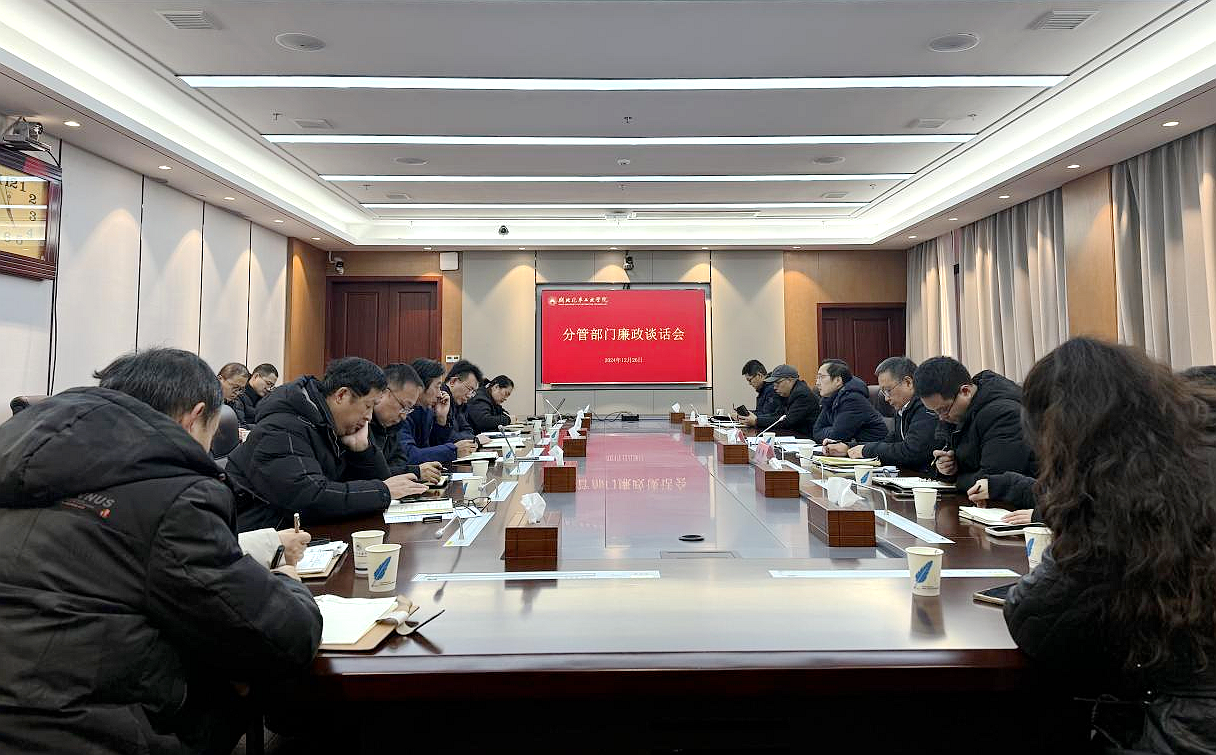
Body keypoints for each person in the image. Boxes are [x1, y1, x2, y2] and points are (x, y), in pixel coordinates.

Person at [0, 348, 321, 755]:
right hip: (86, 732)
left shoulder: (19, 459)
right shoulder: (175, 493)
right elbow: (282, 633)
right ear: (195, 416)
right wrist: (288, 583)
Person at [1003, 338, 1216, 751]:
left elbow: (1037, 622)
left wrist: (1069, 511)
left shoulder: (1125, 491)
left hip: (1189, 727)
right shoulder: (1194, 445)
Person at [225, 357, 428, 531]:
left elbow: (373, 483)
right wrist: (382, 491)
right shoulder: (283, 426)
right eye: (367, 406)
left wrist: (362, 451)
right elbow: (309, 498)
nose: (369, 416)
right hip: (263, 541)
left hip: (303, 535)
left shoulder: (329, 425)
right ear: (341, 395)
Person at [913, 356, 1036, 492]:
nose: (941, 418)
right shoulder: (959, 413)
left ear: (965, 392)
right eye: (934, 412)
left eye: (943, 410)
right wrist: (948, 468)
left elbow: (994, 481)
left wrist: (956, 479)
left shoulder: (1004, 414)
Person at [823, 356, 937, 470]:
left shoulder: (927, 406)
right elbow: (889, 442)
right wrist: (848, 447)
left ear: (908, 382)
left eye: (888, 390)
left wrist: (865, 451)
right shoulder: (903, 408)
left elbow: (912, 451)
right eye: (883, 392)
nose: (886, 399)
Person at [370, 362, 443, 483]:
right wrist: (415, 472)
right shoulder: (360, 425)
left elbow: (400, 461)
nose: (404, 416)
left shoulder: (392, 426)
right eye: (404, 406)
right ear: (384, 394)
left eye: (408, 409)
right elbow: (368, 474)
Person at [400, 358, 478, 464]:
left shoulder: (427, 410)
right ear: (420, 386)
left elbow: (433, 447)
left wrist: (441, 419)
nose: (439, 394)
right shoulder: (402, 412)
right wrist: (453, 451)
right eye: (437, 387)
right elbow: (408, 455)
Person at [813, 359, 888, 444]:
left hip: (873, 448)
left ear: (838, 381)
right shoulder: (829, 399)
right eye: (817, 377)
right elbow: (816, 431)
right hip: (854, 447)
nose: (817, 383)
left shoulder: (852, 400)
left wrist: (832, 429)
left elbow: (836, 436)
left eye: (821, 377)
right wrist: (834, 429)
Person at [733, 364, 819, 437]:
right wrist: (755, 418)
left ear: (789, 380)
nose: (774, 387)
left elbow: (787, 422)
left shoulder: (801, 394)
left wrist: (756, 421)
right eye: (773, 384)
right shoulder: (789, 393)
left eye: (777, 383)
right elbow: (778, 414)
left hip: (806, 440)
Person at [441, 359, 483, 441]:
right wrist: (475, 440)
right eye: (469, 389)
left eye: (473, 392)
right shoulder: (440, 400)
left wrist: (473, 438)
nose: (470, 396)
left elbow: (468, 430)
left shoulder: (459, 404)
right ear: (453, 381)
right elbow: (447, 437)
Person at [232, 362, 278, 428]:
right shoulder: (238, 394)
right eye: (268, 383)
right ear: (256, 376)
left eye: (271, 386)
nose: (268, 389)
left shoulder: (266, 398)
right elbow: (240, 426)